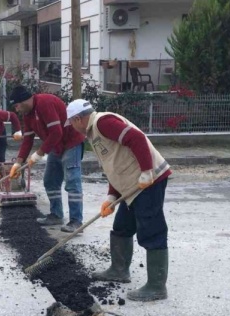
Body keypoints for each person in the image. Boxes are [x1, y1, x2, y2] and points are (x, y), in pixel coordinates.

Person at [65, 99, 171, 302]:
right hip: (133, 185)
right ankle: (119, 270)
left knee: (152, 230)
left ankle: (157, 287)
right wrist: (111, 196)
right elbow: (115, 165)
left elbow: (137, 138)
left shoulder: (103, 123)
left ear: (78, 119)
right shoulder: (93, 134)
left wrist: (147, 171)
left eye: (71, 123)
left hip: (149, 181)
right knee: (122, 227)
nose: (72, 127)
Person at [8, 86, 86, 233]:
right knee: (50, 180)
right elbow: (28, 140)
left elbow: (56, 133)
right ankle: (56, 215)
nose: (17, 109)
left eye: (17, 105)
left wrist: (38, 154)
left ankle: (76, 221)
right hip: (56, 147)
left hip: (71, 143)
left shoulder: (45, 103)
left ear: (25, 100)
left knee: (72, 181)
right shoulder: (28, 114)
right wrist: (18, 162)